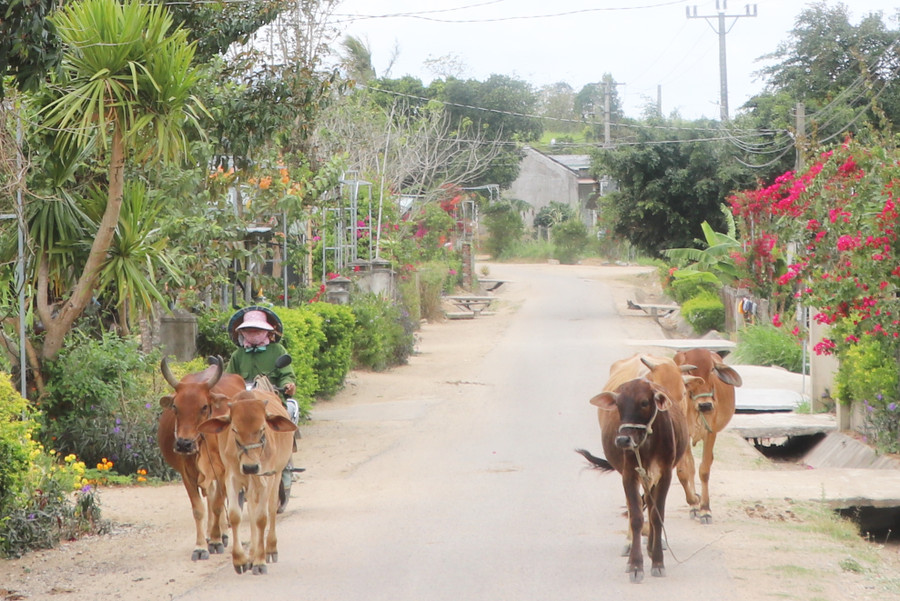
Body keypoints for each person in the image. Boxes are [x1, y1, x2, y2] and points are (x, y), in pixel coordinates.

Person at [225, 306, 298, 512]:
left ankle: (284, 469)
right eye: (249, 331)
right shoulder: (238, 355)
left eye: (258, 330)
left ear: (268, 332)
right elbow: (230, 379)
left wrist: (288, 385)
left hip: (271, 399)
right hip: (244, 403)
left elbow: (287, 374)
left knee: (289, 415)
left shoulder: (278, 352)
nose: (253, 334)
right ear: (242, 333)